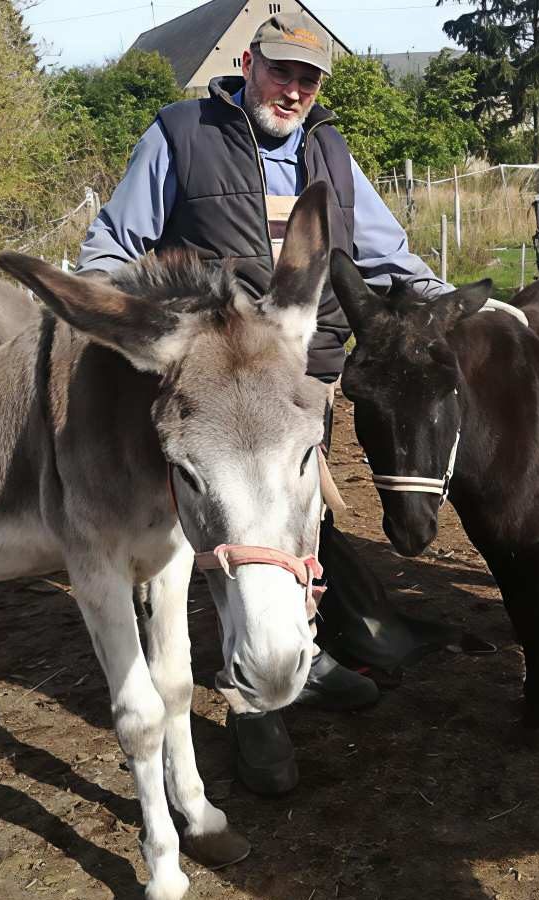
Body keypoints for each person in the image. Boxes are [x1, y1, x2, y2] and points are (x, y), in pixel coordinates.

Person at [76, 11, 465, 796]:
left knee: (298, 531)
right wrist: (158, 326)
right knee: (233, 544)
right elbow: (107, 253)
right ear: (248, 63)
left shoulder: (328, 147)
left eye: (308, 78)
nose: (292, 89)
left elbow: (384, 247)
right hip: (214, 389)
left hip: (303, 381)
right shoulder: (181, 133)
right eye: (281, 70)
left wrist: (449, 301)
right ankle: (253, 704)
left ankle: (307, 659)